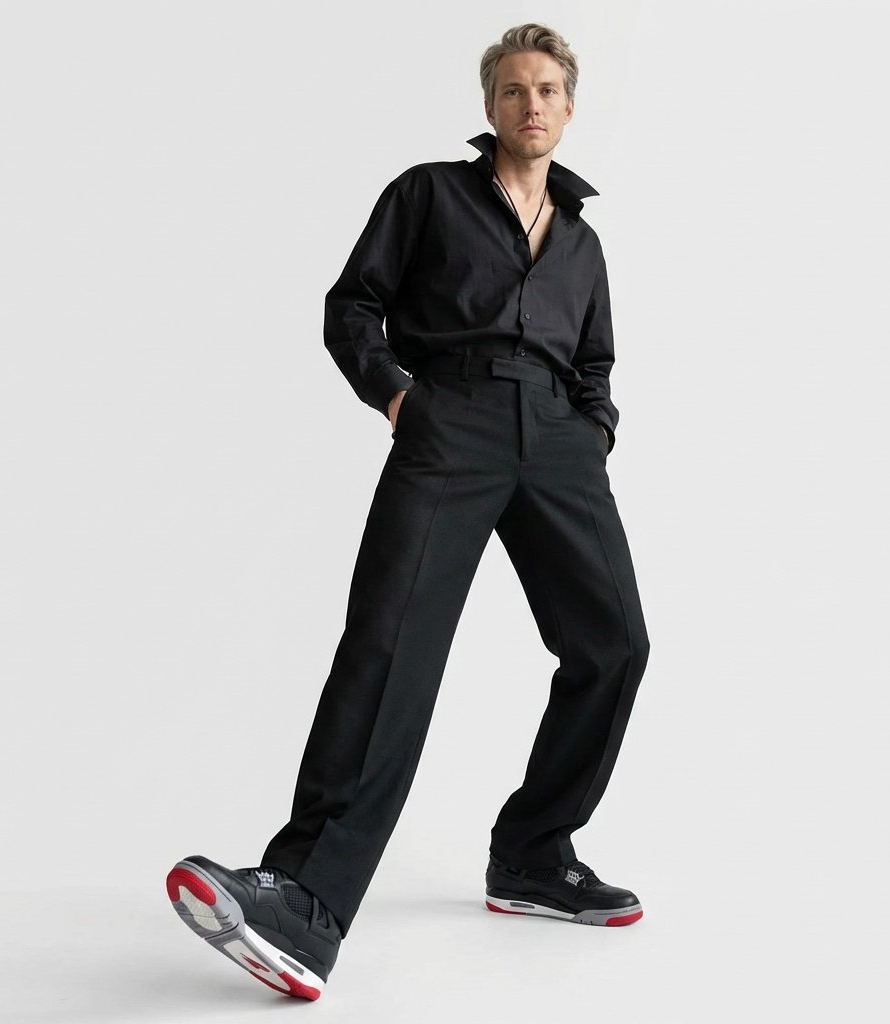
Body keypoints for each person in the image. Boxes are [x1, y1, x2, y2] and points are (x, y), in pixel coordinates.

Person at [165, 22, 651, 1002]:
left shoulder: (583, 242)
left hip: (559, 437)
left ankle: (533, 853)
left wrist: (591, 428)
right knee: (391, 647)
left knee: (614, 645)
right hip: (451, 420)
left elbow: (595, 359)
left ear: (569, 106)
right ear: (490, 107)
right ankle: (304, 900)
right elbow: (354, 305)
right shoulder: (428, 194)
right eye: (512, 90)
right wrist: (401, 398)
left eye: (547, 90)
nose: (530, 104)